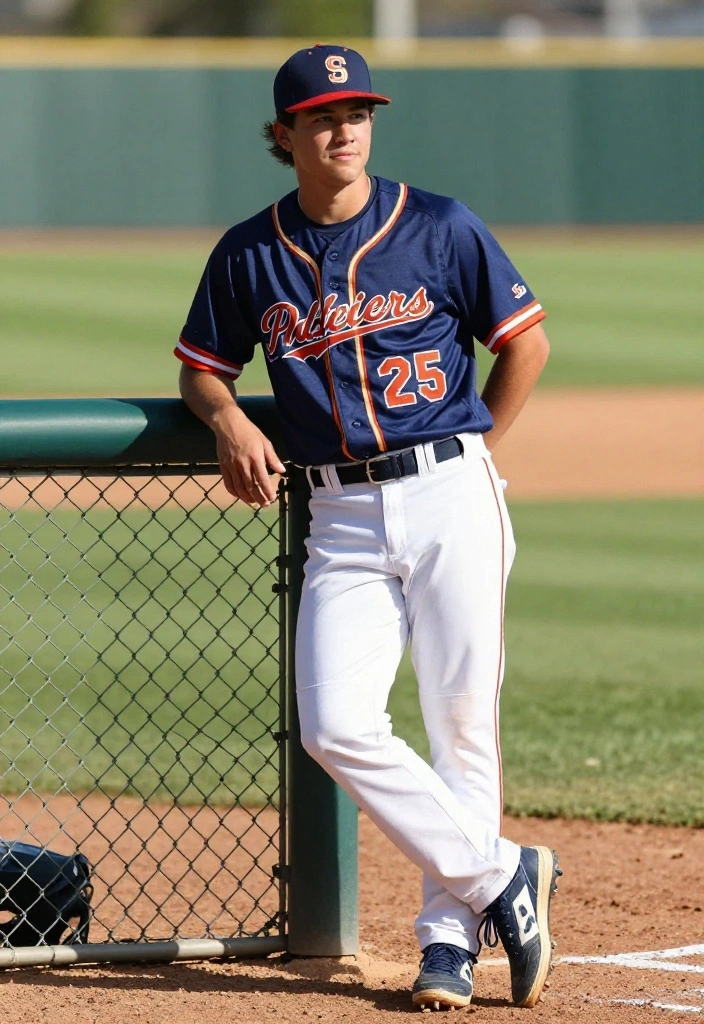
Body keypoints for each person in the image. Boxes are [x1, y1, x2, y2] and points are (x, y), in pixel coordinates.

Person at [176, 43, 560, 1012]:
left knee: (459, 724)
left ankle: (446, 943)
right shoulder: (247, 250)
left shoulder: (436, 224)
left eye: (356, 113)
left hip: (448, 490)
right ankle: (497, 877)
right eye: (320, 116)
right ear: (284, 136)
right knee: (335, 724)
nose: (343, 129)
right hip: (337, 510)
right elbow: (202, 367)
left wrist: (473, 453)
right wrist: (227, 419)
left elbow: (523, 344)